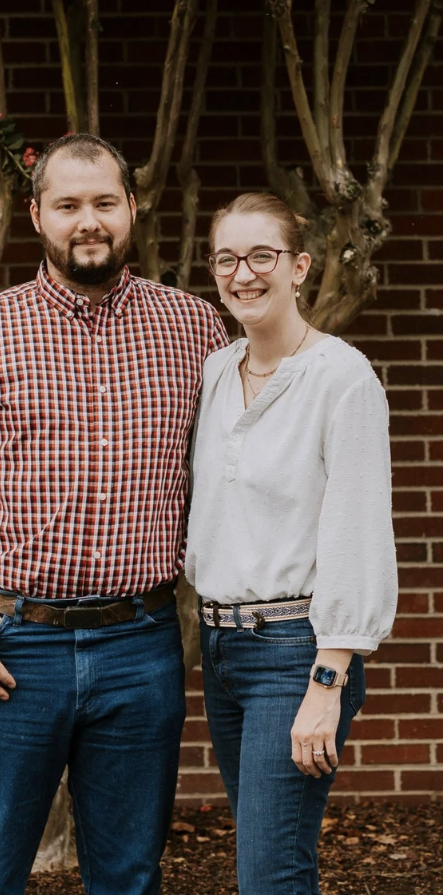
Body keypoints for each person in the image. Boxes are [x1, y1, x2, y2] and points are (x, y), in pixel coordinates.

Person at [0, 133, 229, 896]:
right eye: (69, 204)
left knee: (130, 877)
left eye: (105, 202)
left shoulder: (194, 330)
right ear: (38, 214)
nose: (89, 221)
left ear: (132, 210)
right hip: (11, 648)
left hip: (139, 648)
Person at [184, 192, 398, 896]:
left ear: (299, 266)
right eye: (226, 259)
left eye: (261, 256)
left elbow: (358, 526)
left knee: (270, 875)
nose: (242, 273)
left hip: (295, 652)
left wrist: (328, 680)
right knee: (270, 862)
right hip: (221, 651)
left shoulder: (341, 378)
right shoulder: (216, 372)